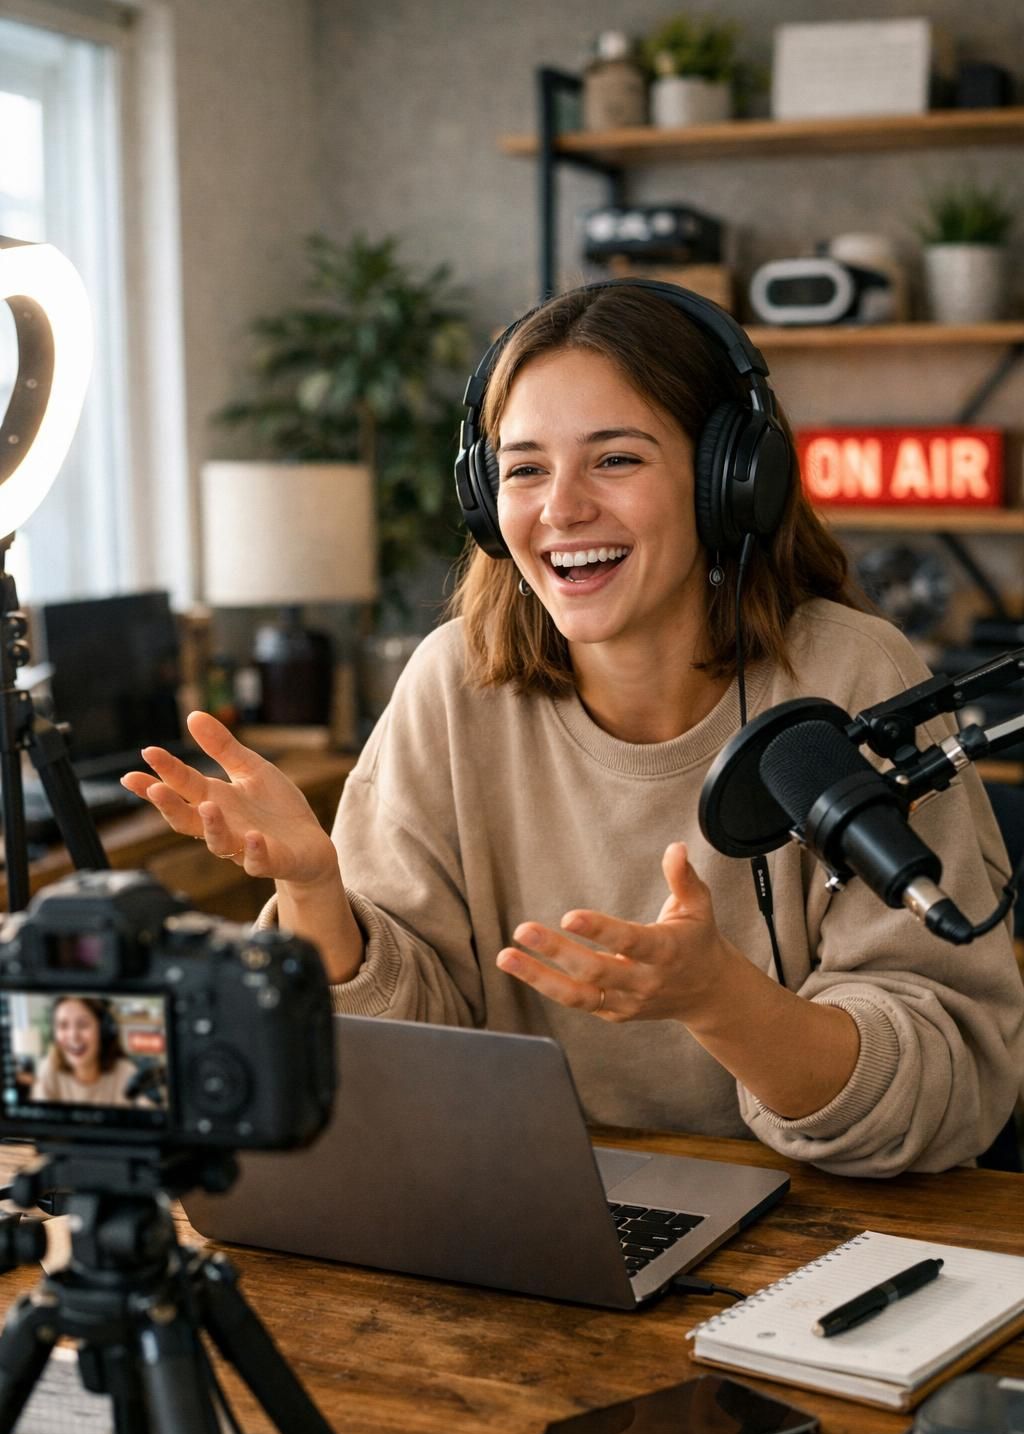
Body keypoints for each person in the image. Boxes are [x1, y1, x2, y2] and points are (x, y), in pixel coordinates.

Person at [122, 280, 1023, 1177]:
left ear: (729, 480)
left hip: (820, 1240)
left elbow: (955, 1084)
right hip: (530, 1211)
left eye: (616, 459)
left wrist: (717, 999)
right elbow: (391, 1068)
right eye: (524, 468)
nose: (561, 509)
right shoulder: (451, 683)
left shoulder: (854, 677)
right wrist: (318, 889)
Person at [31, 996, 138, 1108]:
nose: (73, 1036)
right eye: (63, 1025)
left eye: (83, 1025)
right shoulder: (48, 1070)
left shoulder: (126, 1074)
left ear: (103, 1030)